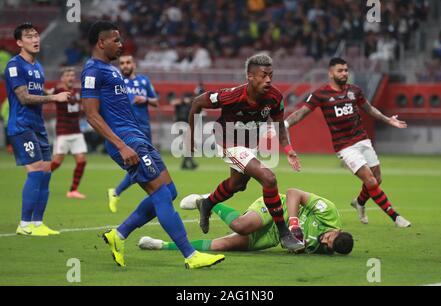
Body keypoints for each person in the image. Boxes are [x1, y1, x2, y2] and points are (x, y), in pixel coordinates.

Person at [81, 21, 224, 269]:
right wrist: (122, 146)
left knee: (169, 191)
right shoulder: (92, 71)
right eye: (115, 40)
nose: (121, 44)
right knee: (160, 194)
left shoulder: (110, 69)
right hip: (126, 141)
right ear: (100, 42)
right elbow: (91, 115)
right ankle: (191, 255)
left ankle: (120, 234)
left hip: (137, 137)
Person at [188, 53, 305, 253]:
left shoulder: (275, 97)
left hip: (249, 143)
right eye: (263, 75)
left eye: (271, 75)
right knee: (268, 178)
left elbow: (279, 126)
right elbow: (198, 102)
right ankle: (285, 233)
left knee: (237, 185)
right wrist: (191, 135)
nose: (268, 79)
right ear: (250, 77)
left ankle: (207, 204)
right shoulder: (232, 95)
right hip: (226, 141)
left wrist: (288, 149)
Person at [285, 57, 411, 227]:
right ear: (331, 73)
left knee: (377, 179)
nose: (344, 73)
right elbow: (301, 113)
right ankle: (395, 217)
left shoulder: (355, 91)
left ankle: (359, 202)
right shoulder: (320, 94)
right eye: (340, 70)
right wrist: (284, 124)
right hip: (345, 146)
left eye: (345, 70)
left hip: (363, 139)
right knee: (371, 181)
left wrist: (388, 120)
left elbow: (369, 109)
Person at [139, 189, 354, 255]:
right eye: (328, 237)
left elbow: (297, 249)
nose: (324, 241)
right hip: (275, 210)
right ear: (337, 230)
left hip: (274, 237)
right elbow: (293, 193)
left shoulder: (324, 247)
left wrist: (297, 248)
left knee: (222, 246)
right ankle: (206, 202)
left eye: (328, 246)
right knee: (240, 225)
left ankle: (160, 245)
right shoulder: (330, 213)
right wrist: (294, 223)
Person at [5, 23, 71, 236]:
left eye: (36, 35)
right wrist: (53, 97)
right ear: (19, 42)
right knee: (35, 172)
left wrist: (48, 91)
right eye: (29, 36)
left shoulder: (38, 67)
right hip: (21, 126)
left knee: (46, 173)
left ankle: (37, 223)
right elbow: (23, 98)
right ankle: (24, 224)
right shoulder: (15, 66)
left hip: (37, 126)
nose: (35, 39)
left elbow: (36, 91)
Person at [107, 55, 159, 213]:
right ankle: (156, 198)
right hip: (127, 130)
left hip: (144, 128)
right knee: (143, 166)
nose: (125, 65)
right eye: (122, 63)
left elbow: (156, 101)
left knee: (143, 166)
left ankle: (116, 192)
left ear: (134, 64)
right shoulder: (117, 83)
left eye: (128, 62)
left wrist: (145, 99)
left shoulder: (144, 81)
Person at [50, 67, 88, 199]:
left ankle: (73, 190)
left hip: (76, 132)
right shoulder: (58, 91)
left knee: (82, 161)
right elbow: (48, 94)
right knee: (56, 162)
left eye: (72, 75)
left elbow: (79, 109)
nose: (71, 77)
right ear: (62, 78)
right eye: (68, 75)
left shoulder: (76, 92)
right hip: (63, 132)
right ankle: (38, 180)